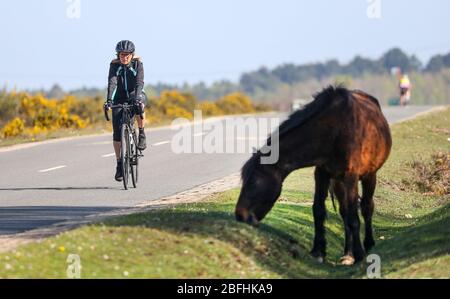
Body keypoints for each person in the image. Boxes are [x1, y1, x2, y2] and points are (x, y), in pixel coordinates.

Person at [104, 40, 147, 182]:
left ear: (132, 55)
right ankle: (119, 164)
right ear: (118, 55)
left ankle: (141, 133)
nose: (125, 57)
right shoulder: (114, 65)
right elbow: (112, 82)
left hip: (135, 92)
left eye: (127, 55)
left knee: (139, 104)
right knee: (116, 132)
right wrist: (109, 100)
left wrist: (137, 98)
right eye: (122, 55)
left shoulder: (137, 64)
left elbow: (139, 82)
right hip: (120, 96)